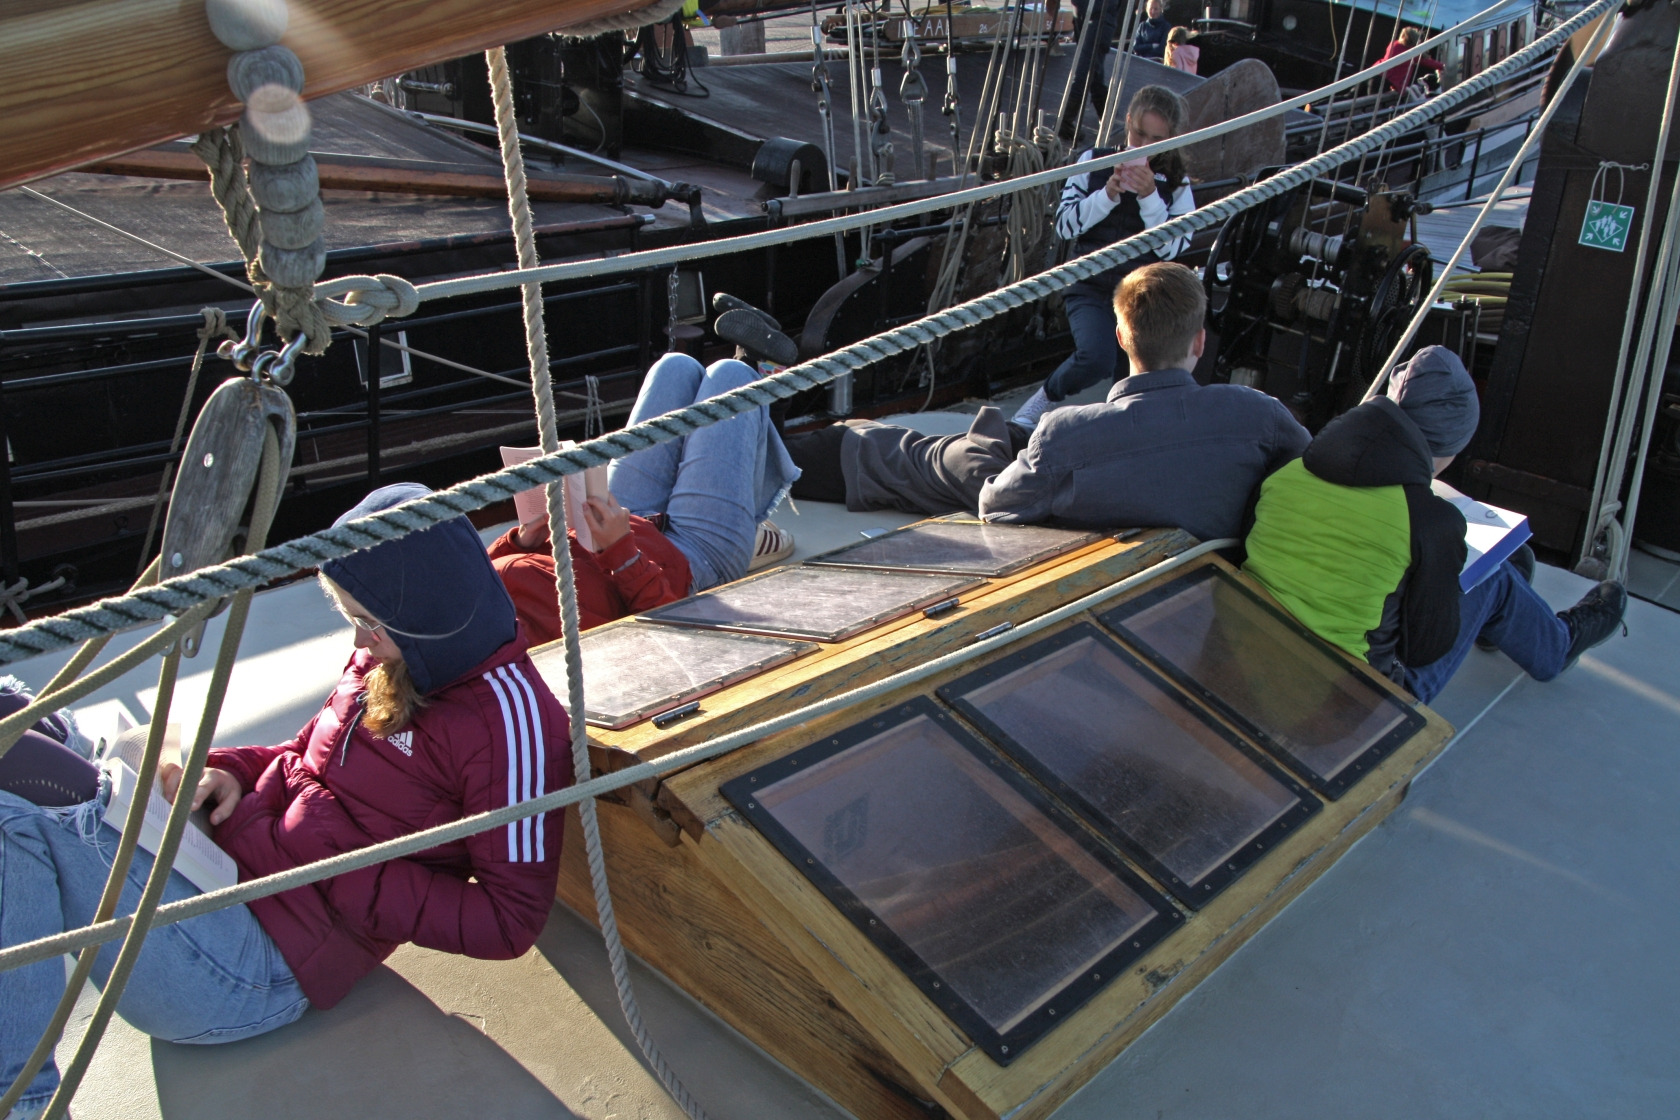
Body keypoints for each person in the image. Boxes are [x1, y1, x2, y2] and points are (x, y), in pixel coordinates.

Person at [0, 483, 570, 1118]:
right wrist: (231, 772)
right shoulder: (391, 656)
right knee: (19, 716)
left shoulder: (510, 722)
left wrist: (334, 865)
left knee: (17, 795)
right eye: (350, 620)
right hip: (233, 868)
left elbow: (510, 920)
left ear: (425, 611)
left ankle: (18, 1104)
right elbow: (305, 752)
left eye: (368, 622)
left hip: (260, 969)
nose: (359, 641)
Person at [1243, 346, 1627, 704]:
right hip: (1356, 698)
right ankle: (1557, 646)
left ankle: (1502, 618)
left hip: (1256, 651)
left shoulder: (1287, 473)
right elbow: (1425, 649)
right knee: (1492, 577)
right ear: (1444, 449)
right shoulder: (1430, 522)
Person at [981, 262, 1310, 538]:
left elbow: (995, 507)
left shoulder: (1062, 433)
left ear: (1121, 338)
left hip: (1108, 587)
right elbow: (1308, 468)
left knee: (969, 454)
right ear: (1199, 342)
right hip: (1215, 581)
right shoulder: (1259, 414)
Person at [490, 350, 800, 640]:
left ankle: (746, 517)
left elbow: (489, 568)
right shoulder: (520, 647)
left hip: (618, 525)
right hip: (687, 561)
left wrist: (519, 542)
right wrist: (620, 551)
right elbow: (661, 626)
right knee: (733, 376)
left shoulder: (466, 602)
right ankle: (749, 527)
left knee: (675, 367)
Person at [1017, 85, 1197, 429]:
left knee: (1131, 374)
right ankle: (1042, 399)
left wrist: (1150, 196)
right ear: (1127, 122)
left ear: (1170, 139)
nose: (1143, 146)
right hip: (1090, 284)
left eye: (1155, 139)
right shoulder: (1093, 161)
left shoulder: (1177, 184)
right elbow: (1065, 227)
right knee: (1096, 357)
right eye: (1138, 134)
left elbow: (1172, 249)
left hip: (1141, 297)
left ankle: (1120, 430)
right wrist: (1107, 194)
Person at [1058, 0, 1124, 141]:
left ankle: (1105, 113)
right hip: (1100, 12)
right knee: (1088, 64)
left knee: (1091, 63)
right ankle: (1065, 120)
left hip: (1084, 11)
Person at [1378, 27, 1443, 98]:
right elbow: (1428, 62)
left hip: (1377, 72)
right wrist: (1442, 66)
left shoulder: (1393, 44)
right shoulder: (1412, 53)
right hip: (1387, 80)